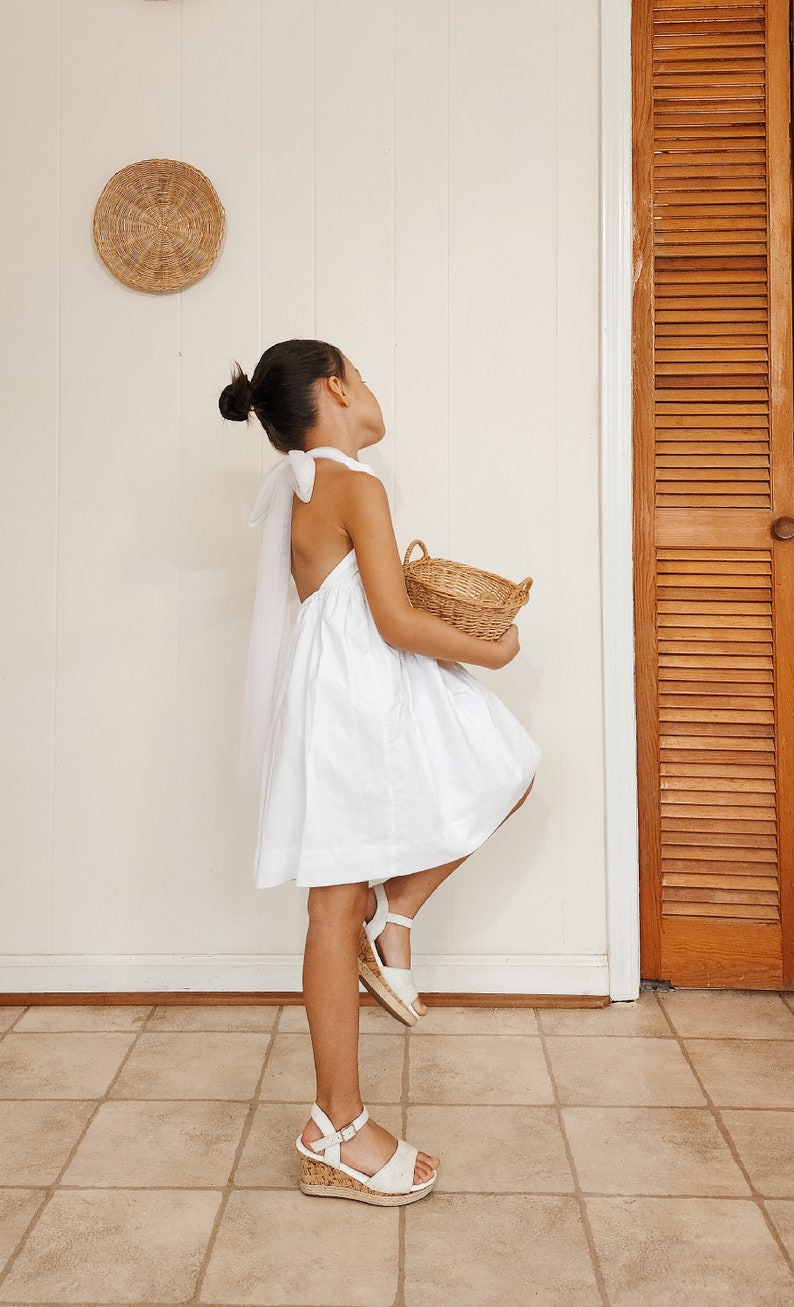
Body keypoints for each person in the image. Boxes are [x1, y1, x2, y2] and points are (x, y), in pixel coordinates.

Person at [219, 339, 540, 1208]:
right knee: (339, 894)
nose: (370, 390)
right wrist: (493, 650)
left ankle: (390, 918)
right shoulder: (353, 482)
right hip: (358, 698)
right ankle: (338, 1126)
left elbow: (367, 605)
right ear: (336, 386)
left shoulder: (306, 483)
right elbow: (394, 620)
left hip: (344, 693)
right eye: (360, 375)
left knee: (501, 772)